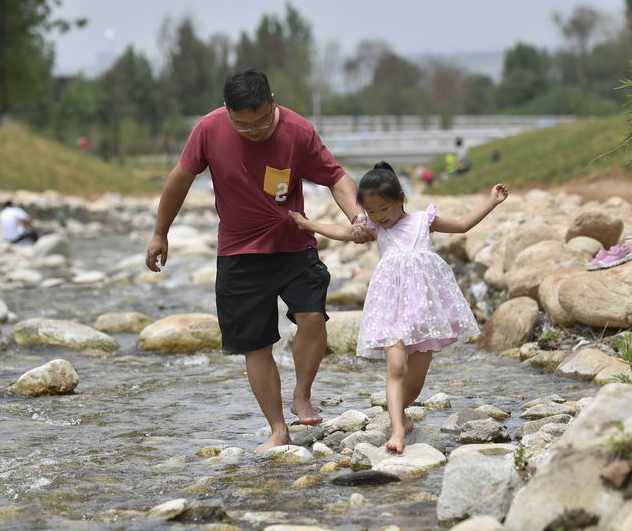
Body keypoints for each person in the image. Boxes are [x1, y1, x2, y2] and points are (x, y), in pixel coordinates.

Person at [144, 69, 368, 453]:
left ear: (273, 102)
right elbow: (180, 179)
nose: (253, 131)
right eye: (242, 124)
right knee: (256, 345)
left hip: (294, 246)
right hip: (238, 253)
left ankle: (302, 395)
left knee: (313, 317)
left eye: (262, 120)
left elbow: (336, 178)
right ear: (227, 111)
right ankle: (278, 429)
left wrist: (357, 217)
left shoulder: (298, 132)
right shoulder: (209, 129)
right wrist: (160, 232)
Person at [290, 162, 508, 453]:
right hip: (391, 309)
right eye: (371, 212)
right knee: (396, 367)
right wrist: (307, 224)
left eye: (384, 209)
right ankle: (396, 432)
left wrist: (492, 201)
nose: (379, 217)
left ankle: (400, 412)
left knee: (415, 384)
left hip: (424, 311)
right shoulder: (372, 228)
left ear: (400, 199)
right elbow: (341, 232)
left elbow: (463, 224)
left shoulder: (422, 220)